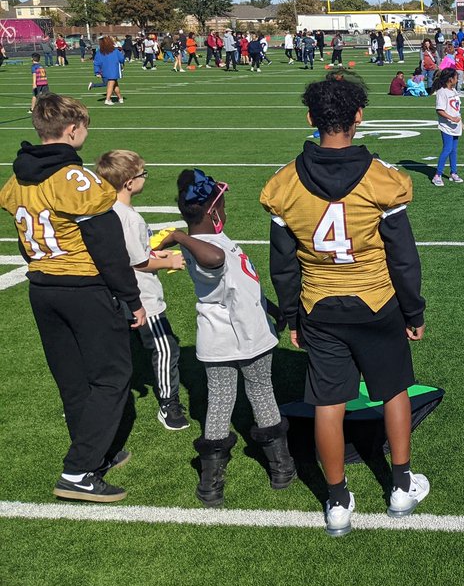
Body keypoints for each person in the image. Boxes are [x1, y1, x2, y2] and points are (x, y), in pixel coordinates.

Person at [261, 73, 429, 537]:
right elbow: (403, 256)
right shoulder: (384, 180)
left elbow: (283, 264)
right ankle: (400, 485)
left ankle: (337, 500)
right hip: (377, 302)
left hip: (319, 303)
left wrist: (290, 312)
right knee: (393, 390)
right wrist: (413, 311)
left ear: (311, 118)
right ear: (359, 117)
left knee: (329, 403)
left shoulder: (283, 184)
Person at [0, 95, 146, 502]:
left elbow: (25, 238)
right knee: (113, 377)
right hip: (83, 287)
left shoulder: (18, 179)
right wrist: (131, 298)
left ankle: (92, 454)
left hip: (43, 286)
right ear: (73, 130)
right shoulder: (75, 180)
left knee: (73, 380)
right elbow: (107, 245)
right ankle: (79, 471)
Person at [161, 170, 294, 505]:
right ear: (213, 211)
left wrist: (275, 311)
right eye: (224, 205)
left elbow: (243, 285)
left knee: (242, 397)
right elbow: (215, 260)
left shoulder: (218, 241)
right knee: (244, 397)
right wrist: (179, 237)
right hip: (239, 334)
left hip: (236, 331)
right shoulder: (206, 247)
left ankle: (279, 467)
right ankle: (214, 480)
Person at [96, 150, 189, 430]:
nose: (144, 178)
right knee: (166, 348)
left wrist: (153, 254)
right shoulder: (129, 218)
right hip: (142, 297)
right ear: (128, 182)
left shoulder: (107, 210)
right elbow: (138, 261)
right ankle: (168, 403)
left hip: (116, 294)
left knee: (121, 351)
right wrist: (169, 261)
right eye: (142, 175)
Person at [431, 68, 464, 187]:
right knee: (447, 149)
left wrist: (461, 121)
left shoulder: (453, 90)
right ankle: (437, 175)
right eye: (456, 77)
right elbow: (439, 110)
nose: (457, 79)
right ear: (450, 79)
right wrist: (451, 118)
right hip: (447, 126)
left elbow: (457, 107)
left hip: (455, 126)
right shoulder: (442, 92)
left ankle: (453, 173)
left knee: (454, 150)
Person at [93, 36, 125, 104]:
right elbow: (121, 59)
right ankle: (107, 99)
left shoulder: (99, 52)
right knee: (111, 83)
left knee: (115, 84)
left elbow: (96, 63)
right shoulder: (115, 51)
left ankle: (120, 98)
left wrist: (97, 72)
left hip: (104, 70)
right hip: (114, 69)